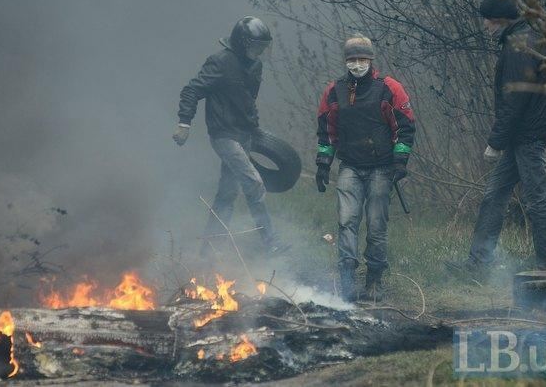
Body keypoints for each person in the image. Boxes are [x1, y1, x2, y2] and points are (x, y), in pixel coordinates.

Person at [447, 0, 546, 277]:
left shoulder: (518, 47)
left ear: (499, 20)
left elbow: (515, 101)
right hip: (521, 136)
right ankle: (478, 264)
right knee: (494, 195)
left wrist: (495, 142)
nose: (485, 26)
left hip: (527, 137)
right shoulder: (522, 40)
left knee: (536, 199)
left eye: (487, 21)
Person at [173, 16, 290, 255]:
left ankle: (208, 250)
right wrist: (184, 123)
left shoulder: (255, 65)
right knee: (253, 182)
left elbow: (248, 101)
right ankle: (271, 242)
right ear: (241, 42)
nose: (259, 52)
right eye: (255, 46)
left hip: (244, 134)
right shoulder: (220, 62)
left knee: (227, 194)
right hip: (223, 135)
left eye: (262, 48)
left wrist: (254, 128)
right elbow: (191, 90)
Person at [315, 34, 416, 302]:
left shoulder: (389, 88)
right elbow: (326, 130)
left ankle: (374, 280)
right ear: (345, 61)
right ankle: (347, 280)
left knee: (376, 225)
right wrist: (323, 163)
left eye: (361, 59)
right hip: (349, 166)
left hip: (382, 168)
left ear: (371, 60)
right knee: (347, 222)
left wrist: (400, 160)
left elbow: (405, 126)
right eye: (352, 60)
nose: (357, 64)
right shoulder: (334, 91)